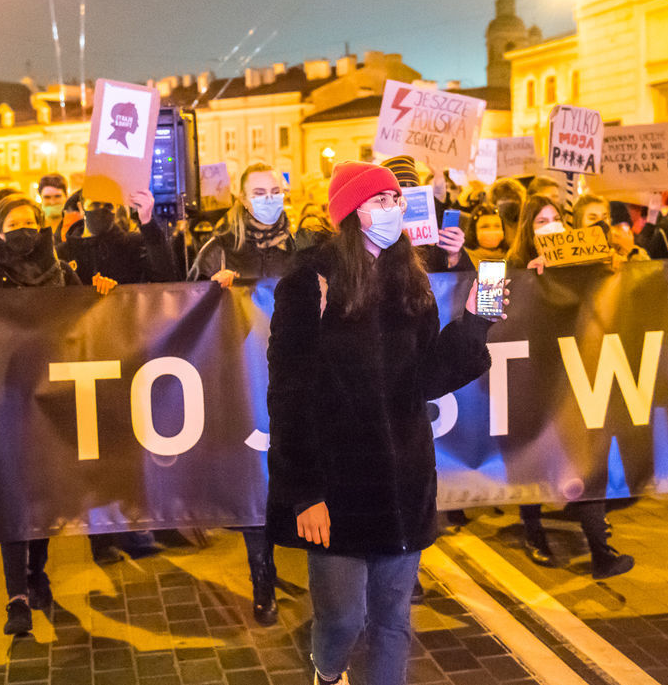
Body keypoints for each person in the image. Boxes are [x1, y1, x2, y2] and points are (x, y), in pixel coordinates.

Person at [266, 161, 497, 685]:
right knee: (344, 618)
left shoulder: (408, 278)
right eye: (380, 200)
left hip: (404, 481)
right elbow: (288, 394)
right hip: (337, 484)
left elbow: (427, 377)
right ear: (351, 213)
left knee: (393, 620)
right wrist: (305, 491)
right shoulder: (310, 282)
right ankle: (328, 672)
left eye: (396, 199)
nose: (394, 208)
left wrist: (477, 323)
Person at [508, 195, 635, 579]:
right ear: (527, 231)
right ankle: (534, 533)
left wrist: (612, 267)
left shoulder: (582, 261)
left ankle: (600, 549)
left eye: (556, 219)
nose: (551, 227)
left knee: (584, 458)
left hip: (575, 376)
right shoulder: (509, 265)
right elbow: (485, 303)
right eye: (540, 222)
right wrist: (527, 280)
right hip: (529, 376)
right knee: (529, 457)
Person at [190, 162, 295, 626]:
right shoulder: (219, 249)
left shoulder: (305, 245)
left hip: (296, 378)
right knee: (256, 483)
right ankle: (262, 579)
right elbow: (181, 309)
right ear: (242, 196)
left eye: (276, 190)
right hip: (243, 380)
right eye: (260, 191)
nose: (269, 197)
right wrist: (212, 293)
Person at [0, 196, 81, 635]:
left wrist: (105, 288)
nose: (23, 230)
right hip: (3, 398)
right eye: (13, 224)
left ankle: (38, 570)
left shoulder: (60, 268)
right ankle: (16, 594)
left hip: (52, 396)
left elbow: (87, 309)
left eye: (30, 223)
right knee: (13, 495)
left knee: (44, 494)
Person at [58, 189, 175, 285]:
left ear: (117, 208)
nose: (101, 211)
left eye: (108, 206)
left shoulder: (133, 245)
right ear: (81, 207)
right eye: (95, 204)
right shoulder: (64, 252)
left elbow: (164, 276)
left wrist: (148, 223)